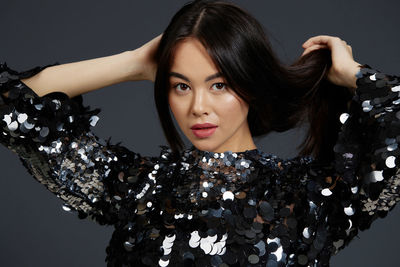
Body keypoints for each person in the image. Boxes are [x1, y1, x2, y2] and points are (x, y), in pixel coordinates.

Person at [0, 0, 399, 266]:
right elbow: (12, 107)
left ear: (250, 83)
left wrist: (353, 75)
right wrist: (134, 62)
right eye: (181, 86)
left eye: (219, 84)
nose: (198, 108)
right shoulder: (138, 188)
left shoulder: (314, 198)